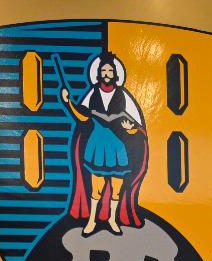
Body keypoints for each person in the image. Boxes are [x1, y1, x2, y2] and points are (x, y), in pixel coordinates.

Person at [62, 51, 148, 238]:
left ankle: (112, 220)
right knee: (97, 187)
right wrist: (68, 102)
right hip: (97, 145)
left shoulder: (123, 94)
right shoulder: (92, 94)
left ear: (115, 74)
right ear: (99, 73)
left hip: (118, 146)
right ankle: (92, 220)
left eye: (110, 70)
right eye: (104, 70)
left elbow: (136, 125)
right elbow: (82, 117)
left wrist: (131, 128)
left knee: (117, 187)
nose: (107, 74)